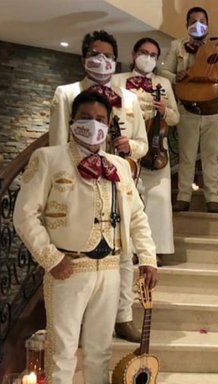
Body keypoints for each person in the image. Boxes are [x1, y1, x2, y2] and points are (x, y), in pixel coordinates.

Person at [13, 91, 158, 384]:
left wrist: (148, 258)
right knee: (62, 351)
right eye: (86, 118)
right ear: (71, 121)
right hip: (69, 268)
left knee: (100, 352)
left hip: (111, 269)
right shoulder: (48, 158)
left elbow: (137, 217)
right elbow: (25, 215)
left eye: (101, 119)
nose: (94, 125)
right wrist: (51, 258)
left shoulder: (119, 166)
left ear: (109, 125)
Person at [48, 30, 149, 342]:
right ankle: (77, 319)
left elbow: (143, 145)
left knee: (125, 251)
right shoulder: (66, 94)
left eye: (108, 55)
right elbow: (57, 145)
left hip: (121, 181)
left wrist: (128, 145)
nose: (101, 60)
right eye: (95, 53)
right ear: (83, 58)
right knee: (82, 251)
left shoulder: (130, 98)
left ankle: (123, 316)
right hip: (80, 185)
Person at [111, 37, 179, 338]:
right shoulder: (118, 80)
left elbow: (175, 117)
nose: (148, 58)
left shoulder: (164, 83)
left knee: (159, 199)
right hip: (126, 149)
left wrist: (165, 110)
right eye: (143, 53)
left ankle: (155, 252)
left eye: (153, 55)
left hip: (156, 146)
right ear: (133, 54)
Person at [159, 6, 218, 213]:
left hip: (212, 109)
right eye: (193, 21)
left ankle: (212, 197)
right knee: (187, 156)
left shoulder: (216, 47)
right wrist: (174, 77)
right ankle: (184, 196)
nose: (198, 25)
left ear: (208, 23)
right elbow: (163, 70)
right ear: (187, 25)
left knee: (211, 155)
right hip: (187, 108)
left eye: (202, 20)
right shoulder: (177, 45)